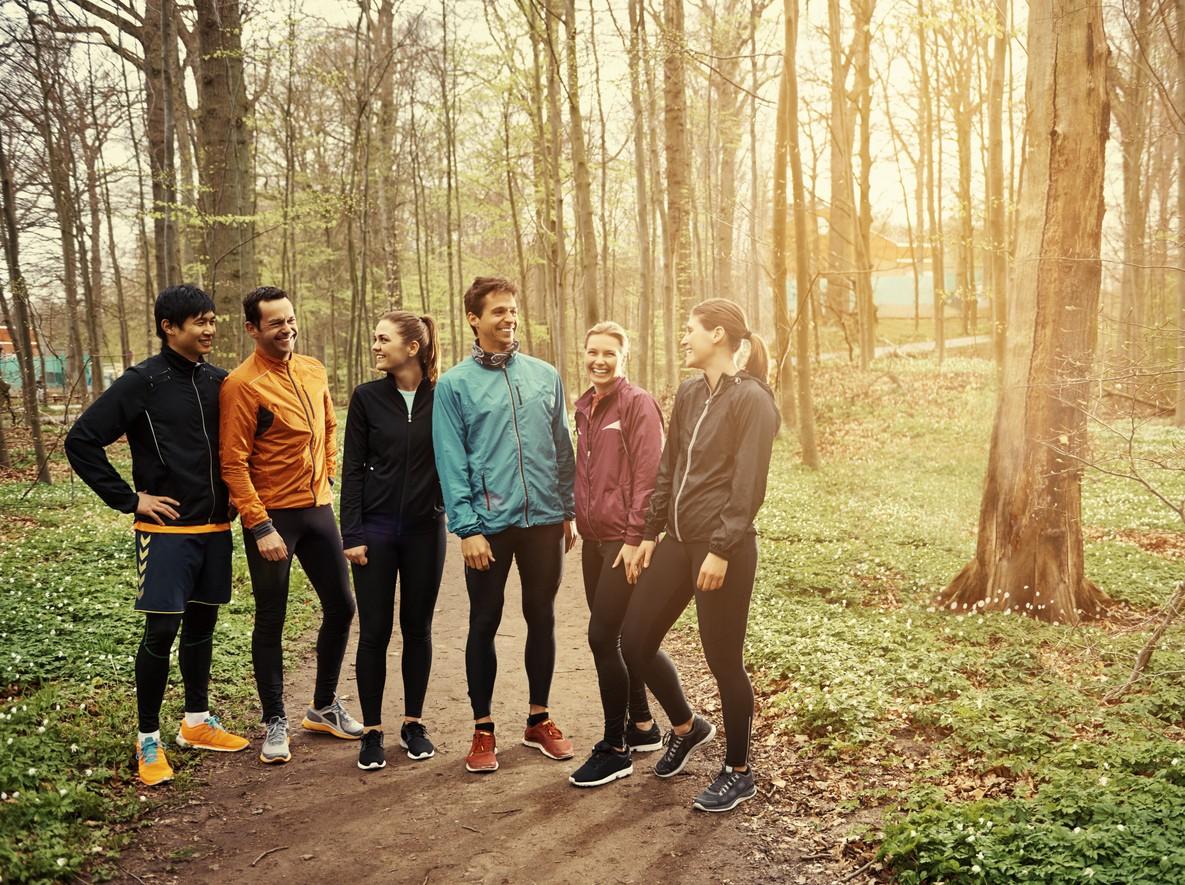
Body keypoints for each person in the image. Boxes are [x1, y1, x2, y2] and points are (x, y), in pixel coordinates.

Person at [65, 284, 249, 787]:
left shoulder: (222, 381)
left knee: (202, 628)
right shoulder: (141, 382)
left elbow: (247, 441)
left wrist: (241, 492)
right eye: (199, 322)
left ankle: (196, 722)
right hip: (165, 532)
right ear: (170, 327)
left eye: (213, 320)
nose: (210, 330)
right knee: (162, 631)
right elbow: (81, 441)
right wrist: (131, 499)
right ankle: (148, 737)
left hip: (215, 529)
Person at [621, 298, 779, 813]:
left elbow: (748, 484)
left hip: (722, 550)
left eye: (689, 331)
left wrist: (722, 548)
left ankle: (739, 770)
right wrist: (650, 530)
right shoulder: (690, 393)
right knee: (634, 640)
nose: (683, 339)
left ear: (717, 335)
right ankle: (687, 727)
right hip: (678, 542)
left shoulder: (753, 400)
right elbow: (669, 466)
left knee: (723, 660)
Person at [432, 276, 577, 774]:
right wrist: (467, 528)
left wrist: (568, 509)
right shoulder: (454, 385)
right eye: (498, 311)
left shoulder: (544, 374)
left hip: (544, 521)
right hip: (488, 528)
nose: (508, 318)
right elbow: (451, 461)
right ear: (474, 318)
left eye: (513, 310)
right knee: (484, 622)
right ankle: (483, 728)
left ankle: (539, 719)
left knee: (543, 616)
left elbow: (562, 447)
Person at [219, 286, 361, 765]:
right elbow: (233, 463)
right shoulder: (242, 385)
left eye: (291, 319)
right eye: (276, 322)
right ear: (252, 329)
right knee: (271, 618)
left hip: (317, 508)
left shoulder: (313, 368)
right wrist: (260, 526)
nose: (287, 329)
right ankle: (274, 720)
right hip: (272, 517)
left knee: (342, 606)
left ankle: (322, 705)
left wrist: (330, 475)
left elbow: (328, 427)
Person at [341, 311, 446, 771]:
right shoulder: (366, 398)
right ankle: (371, 731)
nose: (376, 346)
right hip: (376, 531)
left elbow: (460, 461)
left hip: (426, 531)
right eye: (375, 338)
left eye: (384, 339)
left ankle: (413, 724)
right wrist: (353, 533)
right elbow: (352, 470)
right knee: (375, 632)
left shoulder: (444, 397)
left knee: (418, 629)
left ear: (413, 347)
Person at [567, 322, 667, 788]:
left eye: (609, 353)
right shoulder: (585, 406)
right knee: (616, 637)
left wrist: (634, 539)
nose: (599, 360)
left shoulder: (637, 404)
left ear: (624, 357)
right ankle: (643, 726)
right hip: (594, 541)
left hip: (622, 544)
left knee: (602, 638)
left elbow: (649, 477)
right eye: (592, 352)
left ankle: (615, 748)